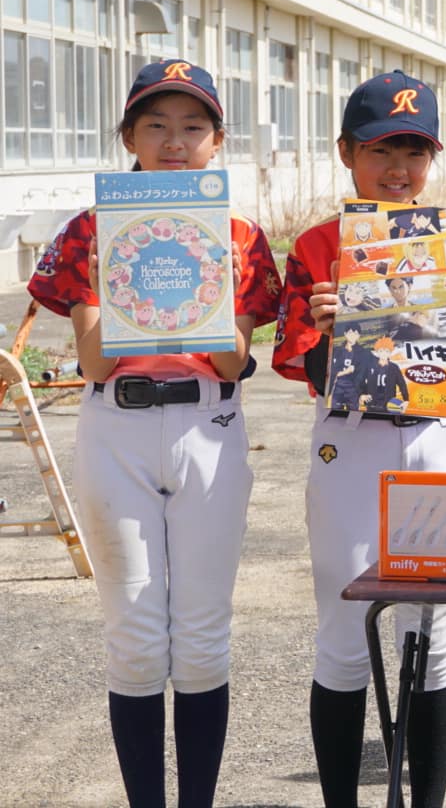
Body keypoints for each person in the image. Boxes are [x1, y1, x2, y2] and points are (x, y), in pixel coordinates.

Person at [27, 60, 283, 808]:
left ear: (218, 140)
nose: (175, 142)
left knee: (202, 637)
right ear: (129, 136)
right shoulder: (91, 228)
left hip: (209, 419)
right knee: (136, 640)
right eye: (156, 126)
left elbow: (236, 360)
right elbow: (92, 360)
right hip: (117, 426)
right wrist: (115, 281)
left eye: (193, 127)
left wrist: (201, 280)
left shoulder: (237, 235)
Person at [273, 71, 446, 808]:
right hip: (350, 442)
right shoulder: (317, 246)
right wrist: (333, 332)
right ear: (346, 152)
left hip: (435, 437)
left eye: (414, 150)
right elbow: (300, 364)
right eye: (380, 150)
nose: (398, 169)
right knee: (344, 630)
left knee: (434, 637)